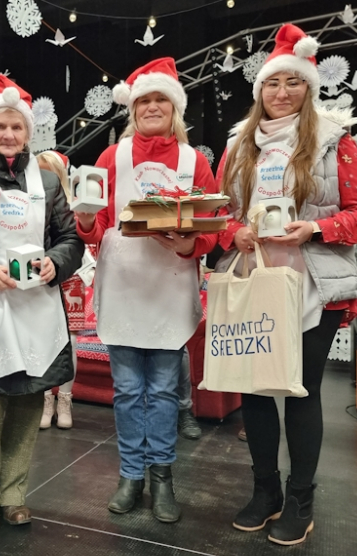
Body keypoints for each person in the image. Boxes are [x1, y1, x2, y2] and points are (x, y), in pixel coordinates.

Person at [214, 24, 357, 545]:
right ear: (258, 91)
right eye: (272, 84)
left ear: (309, 87)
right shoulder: (239, 146)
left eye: (293, 83)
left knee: (302, 392)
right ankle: (266, 492)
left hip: (311, 285)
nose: (281, 93)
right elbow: (220, 213)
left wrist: (316, 228)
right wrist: (232, 232)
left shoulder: (335, 142)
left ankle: (301, 499)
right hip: (255, 279)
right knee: (255, 391)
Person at [76, 57, 217, 523]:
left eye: (161, 99)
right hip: (123, 287)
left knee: (160, 391)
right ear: (132, 109)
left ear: (174, 108)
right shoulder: (110, 158)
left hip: (169, 288)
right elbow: (96, 230)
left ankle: (162, 476)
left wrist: (190, 242)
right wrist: (83, 221)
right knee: (127, 390)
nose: (152, 107)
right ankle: (130, 474)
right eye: (144, 101)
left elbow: (214, 230)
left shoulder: (194, 160)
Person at [0, 76, 84, 533]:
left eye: (17, 128)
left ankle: (14, 491)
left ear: (29, 133)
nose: (9, 135)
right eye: (0, 126)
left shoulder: (46, 180)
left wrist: (56, 263)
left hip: (36, 306)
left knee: (29, 400)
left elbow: (71, 239)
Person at [35, 150, 95, 430]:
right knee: (42, 337)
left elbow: (83, 240)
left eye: (47, 170)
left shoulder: (72, 204)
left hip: (70, 277)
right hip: (38, 276)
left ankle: (65, 400)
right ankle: (45, 398)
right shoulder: (30, 200)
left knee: (69, 341)